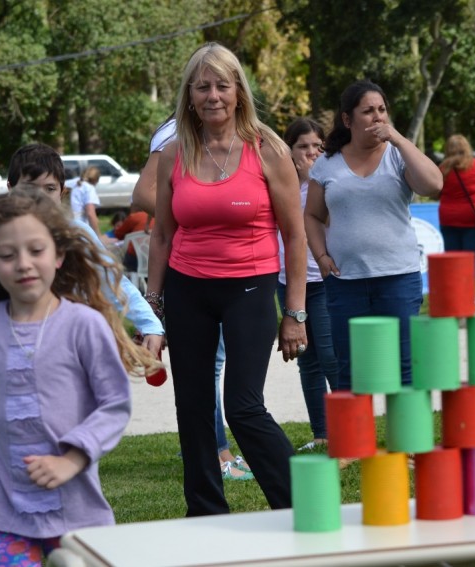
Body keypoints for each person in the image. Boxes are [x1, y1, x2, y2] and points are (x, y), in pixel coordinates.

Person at [0, 191, 158, 565]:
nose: (24, 264)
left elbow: (114, 403)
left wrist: (72, 459)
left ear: (58, 255)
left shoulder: (84, 325)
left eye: (36, 250)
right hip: (4, 513)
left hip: (78, 511)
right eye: (8, 255)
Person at [146, 42, 307, 515]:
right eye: (203, 86)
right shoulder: (173, 153)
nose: (213, 95)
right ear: (189, 96)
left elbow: (295, 238)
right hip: (186, 288)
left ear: (239, 91)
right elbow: (161, 236)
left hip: (250, 287)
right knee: (193, 409)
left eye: (222, 85)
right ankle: (205, 515)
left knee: (242, 406)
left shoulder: (269, 149)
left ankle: (302, 503)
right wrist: (152, 308)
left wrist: (294, 313)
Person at [133, 114, 251, 481]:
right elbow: (142, 194)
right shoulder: (175, 132)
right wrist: (192, 213)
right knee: (207, 369)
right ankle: (217, 453)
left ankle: (208, 451)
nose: (214, 96)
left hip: (225, 269)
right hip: (190, 267)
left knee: (211, 369)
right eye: (204, 86)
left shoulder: (228, 132)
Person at [304, 80, 442, 390]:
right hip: (345, 282)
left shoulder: (397, 155)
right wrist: (322, 257)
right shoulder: (327, 163)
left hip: (398, 278)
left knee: (405, 368)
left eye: (382, 110)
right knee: (349, 372)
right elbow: (312, 216)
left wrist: (399, 139)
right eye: (368, 111)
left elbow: (434, 185)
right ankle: (355, 440)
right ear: (347, 120)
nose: (377, 117)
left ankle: (407, 439)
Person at [4, 143, 164, 356]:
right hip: (14, 346)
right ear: (10, 189)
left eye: (49, 189)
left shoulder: (77, 234)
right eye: (29, 188)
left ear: (62, 192)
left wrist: (149, 324)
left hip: (69, 348)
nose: (39, 197)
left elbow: (112, 282)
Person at [278, 117, 339, 450]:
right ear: (289, 151)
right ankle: (322, 434)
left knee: (331, 357)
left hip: (323, 281)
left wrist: (315, 175)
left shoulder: (327, 181)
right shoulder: (281, 184)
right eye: (303, 146)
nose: (312, 153)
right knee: (307, 359)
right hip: (287, 282)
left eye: (318, 146)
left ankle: (348, 432)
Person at [437, 134, 475, 271]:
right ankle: (468, 292)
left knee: (453, 262)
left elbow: (436, 190)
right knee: (471, 263)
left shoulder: (443, 168)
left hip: (448, 219)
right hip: (472, 219)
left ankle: (454, 292)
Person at [68, 167, 102, 236]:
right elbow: (90, 214)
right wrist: (98, 236)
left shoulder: (71, 183)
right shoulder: (89, 188)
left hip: (63, 224)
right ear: (96, 180)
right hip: (79, 228)